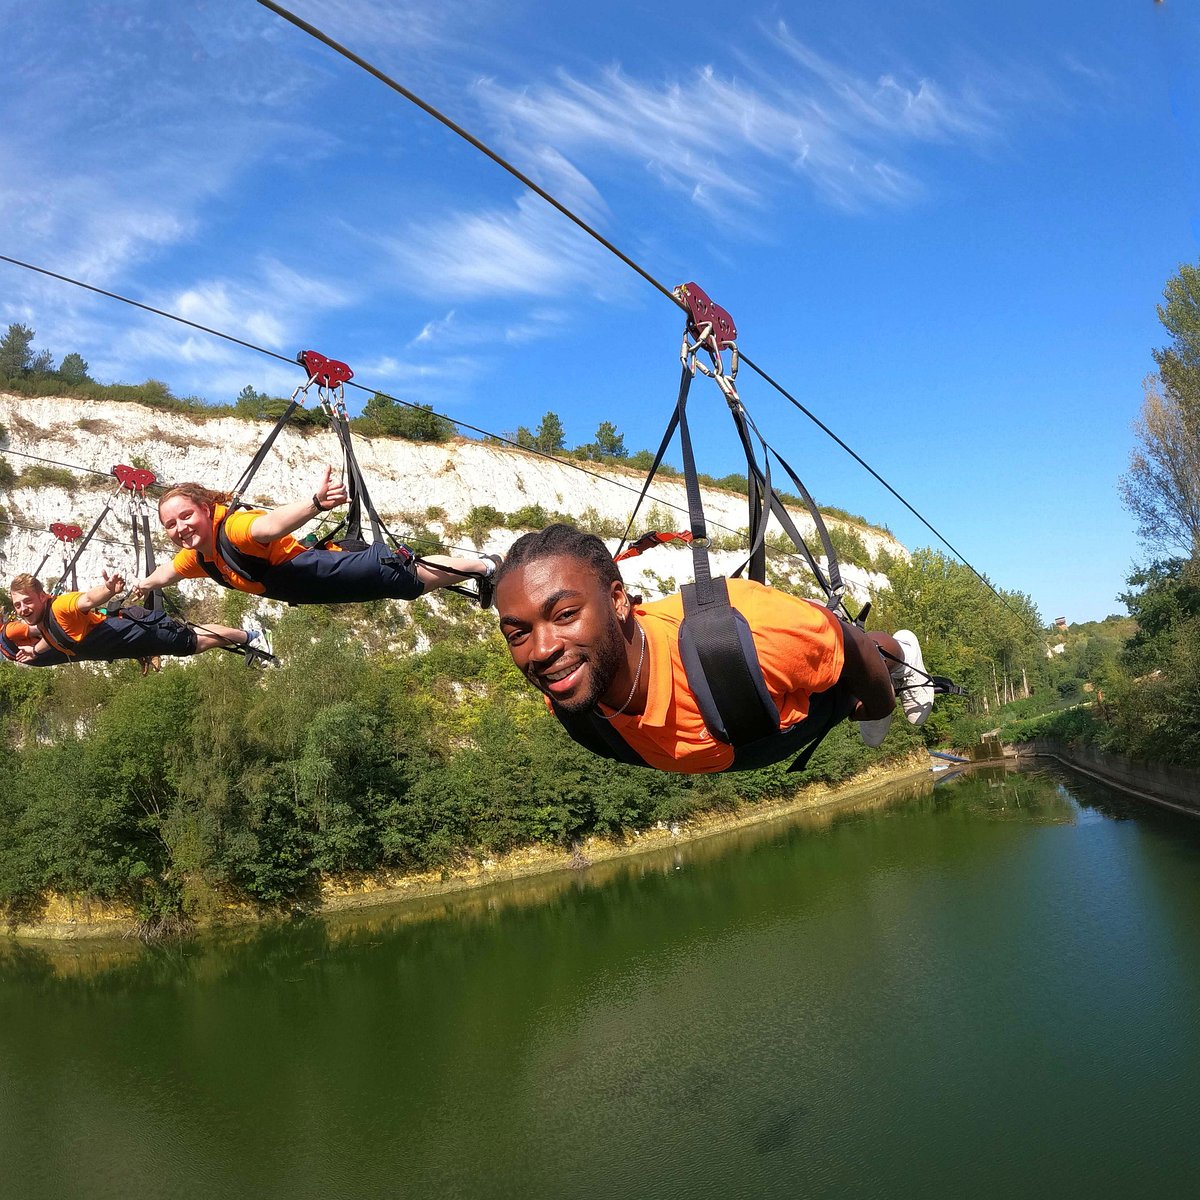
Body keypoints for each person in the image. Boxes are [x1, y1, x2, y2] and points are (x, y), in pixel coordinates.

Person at [494, 524, 935, 774]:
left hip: (780, 689)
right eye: (518, 633)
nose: (542, 650)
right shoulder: (572, 694)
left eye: (566, 614)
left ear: (617, 601)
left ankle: (903, 656)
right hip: (749, 735)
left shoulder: (749, 634)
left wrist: (877, 708)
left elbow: (851, 646)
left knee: (858, 655)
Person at [134, 467, 500, 607]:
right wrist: (142, 585)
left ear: (204, 509)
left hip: (320, 571)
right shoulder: (199, 558)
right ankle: (482, 568)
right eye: (170, 524)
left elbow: (270, 525)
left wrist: (315, 503)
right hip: (312, 588)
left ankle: (486, 565)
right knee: (409, 582)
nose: (180, 528)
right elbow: (166, 574)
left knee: (406, 578)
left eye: (186, 516)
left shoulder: (232, 530)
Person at [8, 571, 263, 668]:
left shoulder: (61, 606)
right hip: (133, 643)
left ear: (43, 596)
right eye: (17, 605)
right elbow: (56, 639)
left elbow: (86, 600)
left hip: (142, 630)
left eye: (27, 601)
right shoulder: (41, 624)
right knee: (193, 644)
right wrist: (35, 649)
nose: (22, 609)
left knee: (194, 642)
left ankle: (252, 637)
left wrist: (108, 590)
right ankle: (250, 638)